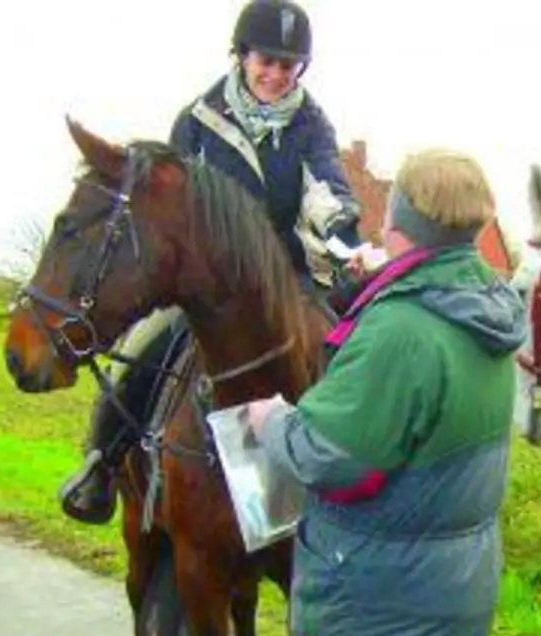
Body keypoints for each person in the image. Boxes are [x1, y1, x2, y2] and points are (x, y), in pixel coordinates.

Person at [241, 147, 526, 636]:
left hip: (378, 614)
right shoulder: (486, 313)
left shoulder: (401, 329)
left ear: (400, 223)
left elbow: (324, 451)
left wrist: (274, 419)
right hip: (452, 598)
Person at [57, 0, 366, 526]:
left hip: (284, 279)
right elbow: (171, 203)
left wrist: (342, 237)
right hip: (208, 286)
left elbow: (326, 188)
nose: (274, 74)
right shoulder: (198, 120)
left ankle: (356, 485)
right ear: (242, 56)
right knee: (144, 343)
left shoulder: (312, 124)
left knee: (351, 351)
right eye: (265, 61)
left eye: (286, 66)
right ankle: (102, 464)